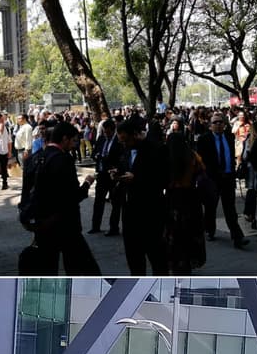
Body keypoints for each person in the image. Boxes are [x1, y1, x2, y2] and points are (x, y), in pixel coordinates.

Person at [21, 122, 100, 275]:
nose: (74, 145)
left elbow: (26, 192)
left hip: (42, 223)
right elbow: (72, 196)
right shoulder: (63, 159)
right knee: (81, 267)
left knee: (48, 266)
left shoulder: (35, 158)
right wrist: (87, 184)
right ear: (64, 139)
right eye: (73, 141)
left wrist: (26, 214)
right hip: (65, 223)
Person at [113, 119, 169, 275]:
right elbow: (124, 167)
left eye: (126, 140)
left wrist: (137, 178)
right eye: (121, 141)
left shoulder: (157, 149)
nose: (124, 144)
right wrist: (118, 175)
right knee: (134, 259)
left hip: (151, 212)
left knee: (157, 258)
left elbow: (164, 179)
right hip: (130, 212)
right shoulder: (125, 149)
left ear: (136, 135)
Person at [197, 113, 249, 249]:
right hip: (212, 179)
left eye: (221, 122)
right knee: (210, 207)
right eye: (215, 122)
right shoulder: (204, 139)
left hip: (228, 177)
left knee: (230, 209)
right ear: (210, 126)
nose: (218, 124)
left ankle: (238, 236)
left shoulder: (229, 137)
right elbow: (201, 160)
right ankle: (209, 230)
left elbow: (233, 155)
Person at [165, 133, 206, 273]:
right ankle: (189, 260)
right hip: (191, 199)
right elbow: (202, 170)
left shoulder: (168, 159)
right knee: (191, 232)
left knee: (175, 235)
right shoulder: (193, 156)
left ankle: (177, 262)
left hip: (174, 200)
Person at [88, 118, 123, 235]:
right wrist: (97, 156)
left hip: (112, 174)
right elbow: (93, 153)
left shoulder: (119, 141)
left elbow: (121, 158)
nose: (106, 134)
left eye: (108, 132)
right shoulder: (102, 138)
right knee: (98, 201)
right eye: (104, 132)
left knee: (115, 202)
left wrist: (111, 163)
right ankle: (95, 226)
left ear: (113, 131)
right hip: (102, 174)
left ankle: (114, 228)